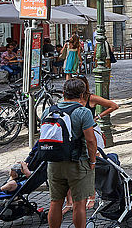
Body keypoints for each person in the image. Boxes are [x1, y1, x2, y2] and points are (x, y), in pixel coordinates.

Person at [43, 78, 98, 228]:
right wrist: (92, 161)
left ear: (63, 93)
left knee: (55, 202)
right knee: (79, 204)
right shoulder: (83, 112)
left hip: (54, 162)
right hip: (77, 163)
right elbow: (91, 141)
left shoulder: (48, 111)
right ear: (82, 95)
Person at [66, 76, 117, 210]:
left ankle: (92, 196)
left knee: (93, 165)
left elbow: (114, 105)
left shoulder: (91, 98)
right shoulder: (70, 101)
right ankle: (70, 201)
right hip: (78, 135)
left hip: (92, 133)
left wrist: (98, 116)